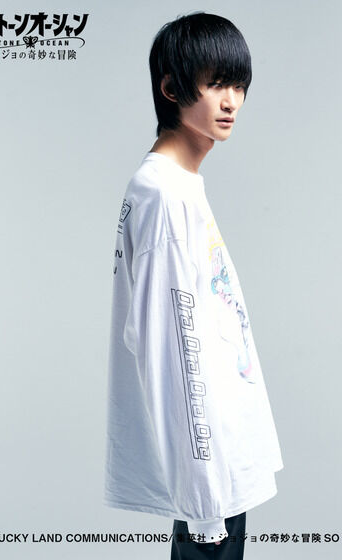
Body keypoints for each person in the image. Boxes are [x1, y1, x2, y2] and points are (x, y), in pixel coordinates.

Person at [103, 12, 284, 559]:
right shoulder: (164, 197)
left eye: (239, 85)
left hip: (217, 458)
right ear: (172, 88)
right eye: (216, 84)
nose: (232, 102)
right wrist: (204, 502)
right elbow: (173, 351)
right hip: (209, 467)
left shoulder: (178, 186)